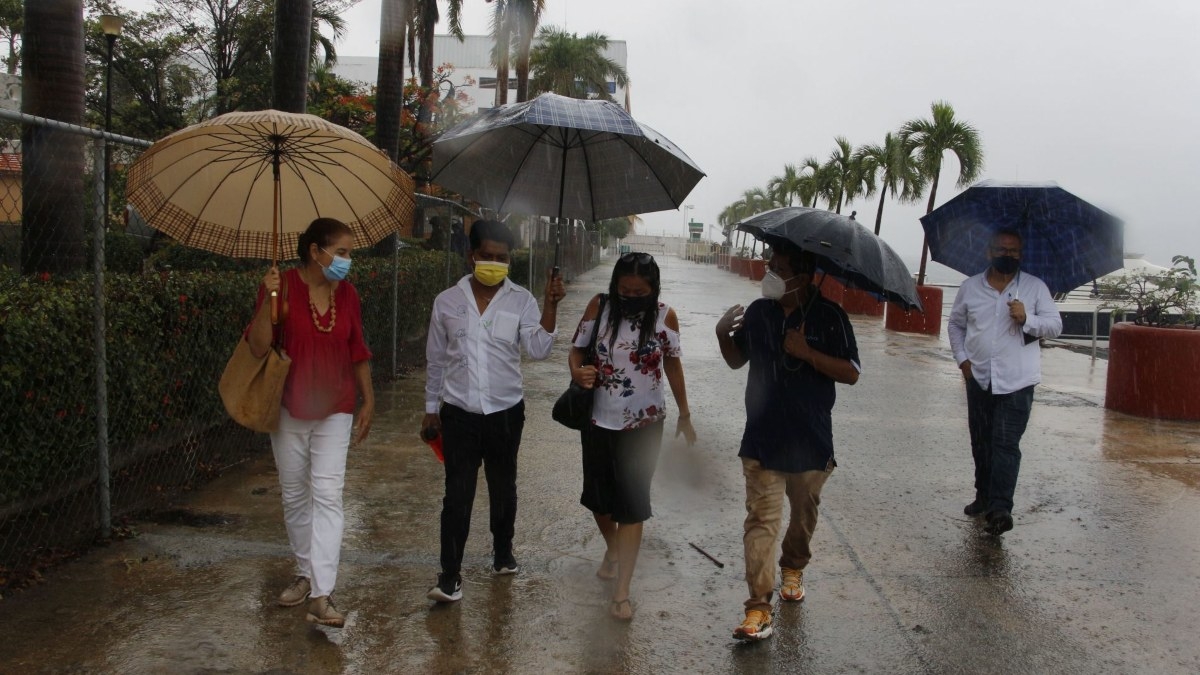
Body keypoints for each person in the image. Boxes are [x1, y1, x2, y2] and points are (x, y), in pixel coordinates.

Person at [715, 243, 860, 641]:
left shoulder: (831, 317)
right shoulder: (759, 312)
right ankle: (758, 608)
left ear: (805, 275)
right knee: (761, 521)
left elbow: (851, 373)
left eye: (779, 269)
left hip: (811, 442)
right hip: (761, 438)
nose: (770, 275)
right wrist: (721, 335)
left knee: (802, 517)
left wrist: (807, 351)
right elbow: (734, 360)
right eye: (769, 266)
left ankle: (794, 565)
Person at [423, 220, 566, 603]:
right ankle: (449, 576)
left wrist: (551, 304)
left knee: (504, 490)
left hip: (505, 413)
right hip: (459, 414)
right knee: (457, 495)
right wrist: (429, 410)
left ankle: (503, 553)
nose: (493, 263)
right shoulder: (447, 302)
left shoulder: (522, 301)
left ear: (509, 261)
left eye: (501, 258)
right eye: (486, 256)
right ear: (472, 256)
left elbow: (538, 349)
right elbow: (436, 360)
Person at [247, 217, 374, 628]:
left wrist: (368, 399)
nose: (347, 261)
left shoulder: (349, 294)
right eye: (341, 252)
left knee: (328, 494)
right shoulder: (280, 285)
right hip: (288, 406)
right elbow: (257, 344)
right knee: (295, 494)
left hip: (336, 406)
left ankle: (322, 593)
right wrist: (268, 299)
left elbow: (357, 348)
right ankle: (305, 572)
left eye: (349, 253)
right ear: (315, 252)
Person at [568, 252, 697, 621]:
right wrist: (577, 373)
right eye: (625, 289)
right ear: (615, 286)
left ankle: (622, 591)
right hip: (598, 420)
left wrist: (685, 414)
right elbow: (576, 350)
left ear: (653, 288)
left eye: (639, 291)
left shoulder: (664, 316)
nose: (631, 296)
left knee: (633, 504)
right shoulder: (600, 306)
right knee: (598, 500)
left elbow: (672, 362)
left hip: (644, 426)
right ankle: (613, 548)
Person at [948, 228, 1062, 536]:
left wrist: (1028, 319)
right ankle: (983, 495)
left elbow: (1055, 326)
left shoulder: (1035, 288)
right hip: (979, 379)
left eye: (1013, 251)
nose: (1007, 255)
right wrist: (963, 360)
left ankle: (1000, 509)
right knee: (981, 442)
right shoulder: (970, 287)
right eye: (1001, 249)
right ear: (989, 252)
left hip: (1018, 382)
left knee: (1005, 445)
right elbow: (956, 325)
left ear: (1020, 255)